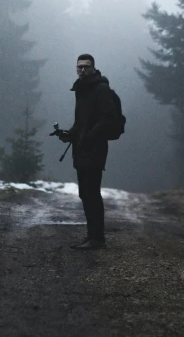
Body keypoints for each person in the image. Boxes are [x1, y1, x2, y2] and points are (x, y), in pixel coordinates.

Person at [57, 54, 119, 250]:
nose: (82, 70)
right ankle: (92, 236)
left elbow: (108, 118)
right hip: (82, 148)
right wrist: (68, 134)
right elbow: (80, 122)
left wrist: (90, 136)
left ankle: (97, 239)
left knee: (92, 192)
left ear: (93, 68)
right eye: (79, 67)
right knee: (85, 193)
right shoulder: (82, 90)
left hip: (95, 148)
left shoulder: (101, 89)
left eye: (86, 67)